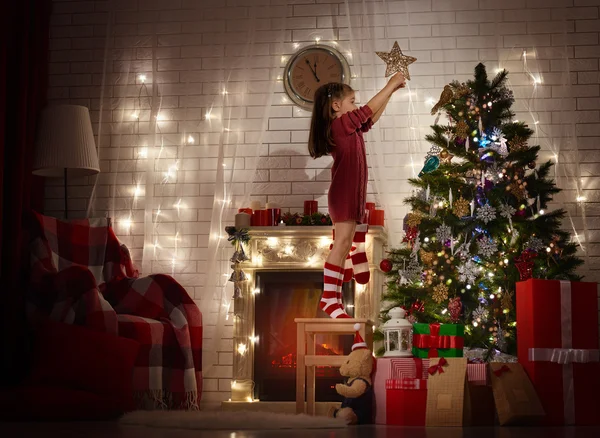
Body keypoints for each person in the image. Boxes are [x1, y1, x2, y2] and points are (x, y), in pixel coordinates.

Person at [308, 72, 406, 318]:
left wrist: (391, 94)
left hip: (352, 195)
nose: (357, 107)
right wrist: (390, 84)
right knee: (341, 243)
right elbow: (367, 111)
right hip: (343, 194)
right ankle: (329, 299)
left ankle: (342, 283)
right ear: (336, 106)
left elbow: (369, 117)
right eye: (352, 101)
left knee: (346, 240)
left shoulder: (350, 129)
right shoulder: (339, 125)